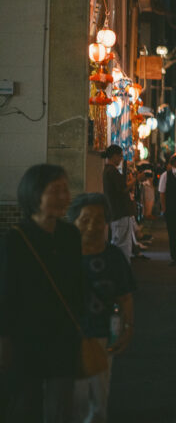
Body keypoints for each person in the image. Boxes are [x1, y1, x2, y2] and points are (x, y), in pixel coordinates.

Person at [0, 164, 81, 421]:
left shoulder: (70, 235)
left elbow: (78, 284)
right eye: (55, 190)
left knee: (62, 408)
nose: (64, 197)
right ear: (35, 194)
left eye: (65, 190)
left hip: (63, 337)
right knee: (26, 406)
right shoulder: (15, 240)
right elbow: (6, 294)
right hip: (25, 340)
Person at [69, 193, 136, 422]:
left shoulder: (113, 257)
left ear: (107, 222)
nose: (92, 226)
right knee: (70, 399)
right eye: (85, 219)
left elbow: (125, 296)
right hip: (67, 336)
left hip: (101, 335)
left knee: (98, 396)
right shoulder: (62, 256)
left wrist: (127, 328)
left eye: (98, 220)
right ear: (74, 222)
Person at [101, 145, 134, 263]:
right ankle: (120, 269)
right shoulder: (112, 171)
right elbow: (123, 189)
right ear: (114, 156)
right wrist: (136, 179)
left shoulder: (108, 170)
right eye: (120, 156)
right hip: (119, 212)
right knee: (121, 244)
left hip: (116, 212)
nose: (121, 159)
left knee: (120, 242)